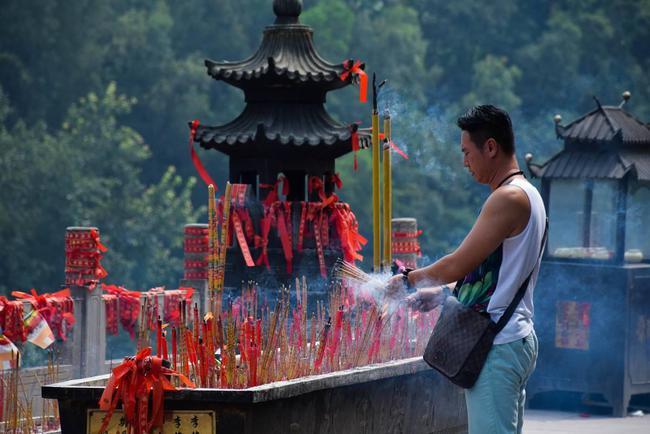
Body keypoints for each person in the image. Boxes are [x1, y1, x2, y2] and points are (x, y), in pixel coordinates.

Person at [386, 104, 547, 434]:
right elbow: (494, 273)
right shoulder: (529, 193)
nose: (464, 162)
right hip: (514, 338)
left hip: (498, 344)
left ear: (490, 147)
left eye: (466, 152)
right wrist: (443, 293)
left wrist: (406, 280)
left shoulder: (508, 198)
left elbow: (458, 263)